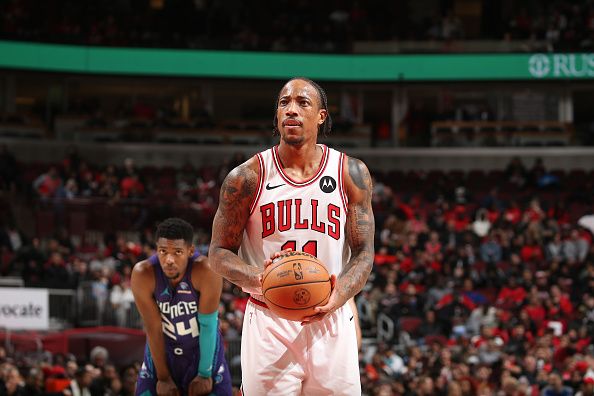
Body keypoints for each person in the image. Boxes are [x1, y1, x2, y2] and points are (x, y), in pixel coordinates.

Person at [209, 77, 375, 395]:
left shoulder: (349, 173)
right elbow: (217, 252)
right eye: (284, 103)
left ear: (321, 116)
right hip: (269, 317)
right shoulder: (246, 177)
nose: (291, 110)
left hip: (329, 317)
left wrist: (338, 296)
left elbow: (364, 252)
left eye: (302, 103)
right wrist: (257, 278)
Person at [131, 218, 232, 396]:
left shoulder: (206, 270)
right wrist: (163, 378)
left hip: (202, 353)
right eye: (163, 251)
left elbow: (208, 325)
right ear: (156, 250)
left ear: (190, 251)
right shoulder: (143, 274)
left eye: (177, 252)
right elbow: (153, 328)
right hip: (164, 353)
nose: (169, 259)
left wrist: (204, 373)